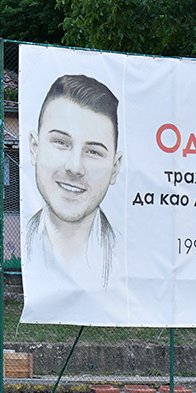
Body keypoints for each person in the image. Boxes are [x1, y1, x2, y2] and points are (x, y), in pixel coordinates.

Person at [24, 74, 123, 290]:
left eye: (93, 152)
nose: (75, 167)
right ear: (34, 148)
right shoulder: (21, 244)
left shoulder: (127, 254)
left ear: (115, 168)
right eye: (61, 142)